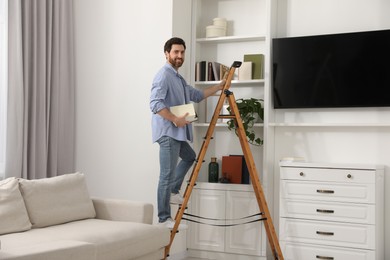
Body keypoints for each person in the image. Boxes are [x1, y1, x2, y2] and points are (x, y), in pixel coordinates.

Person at [150, 37, 225, 229]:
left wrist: (218, 87)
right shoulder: (164, 76)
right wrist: (175, 119)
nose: (179, 56)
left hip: (177, 133)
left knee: (190, 157)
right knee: (166, 174)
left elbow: (196, 95)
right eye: (175, 52)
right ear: (167, 53)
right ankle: (163, 218)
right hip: (168, 132)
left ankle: (174, 191)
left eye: (182, 52)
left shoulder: (177, 77)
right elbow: (155, 104)